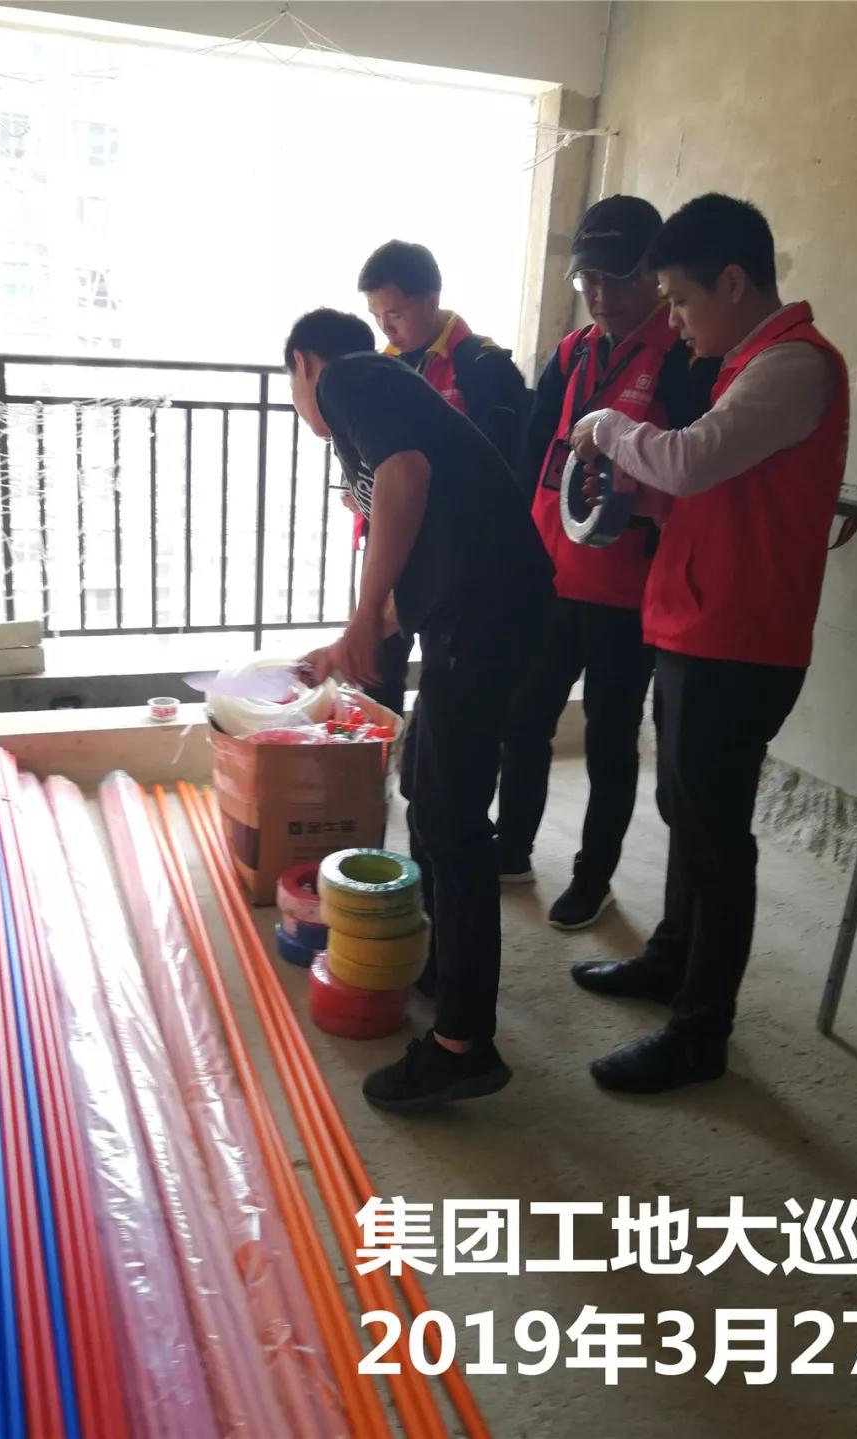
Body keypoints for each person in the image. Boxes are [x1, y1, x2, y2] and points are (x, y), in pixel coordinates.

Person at [567, 193, 849, 1093]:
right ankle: (670, 959)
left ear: (733, 282)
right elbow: (711, 488)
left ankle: (700, 1032)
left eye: (682, 300)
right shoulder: (747, 363)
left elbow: (691, 460)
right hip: (699, 623)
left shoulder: (793, 364)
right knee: (686, 813)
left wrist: (609, 426)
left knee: (716, 837)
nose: (677, 321)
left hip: (741, 639)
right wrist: (637, 495)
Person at [285, 308, 553, 1111]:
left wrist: (364, 614)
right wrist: (352, 638)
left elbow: (406, 475)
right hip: (479, 606)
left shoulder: (350, 377)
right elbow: (430, 549)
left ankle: (462, 1043)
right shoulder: (386, 389)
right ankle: (447, 970)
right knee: (428, 795)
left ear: (302, 365)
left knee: (450, 814)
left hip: (488, 612)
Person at [496, 196, 719, 930]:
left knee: (608, 741)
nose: (600, 293)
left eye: (617, 277)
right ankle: (512, 844)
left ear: (654, 275)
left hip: (629, 593)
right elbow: (532, 457)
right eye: (588, 278)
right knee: (525, 717)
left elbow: (693, 473)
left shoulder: (685, 358)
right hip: (551, 578)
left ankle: (593, 878)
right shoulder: (572, 353)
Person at [354, 239, 528, 717]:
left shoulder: (482, 367)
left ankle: (422, 761)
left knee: (444, 682)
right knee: (376, 669)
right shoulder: (384, 366)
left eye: (395, 313)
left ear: (431, 299)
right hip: (392, 544)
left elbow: (499, 473)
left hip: (454, 557)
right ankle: (375, 759)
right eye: (376, 316)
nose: (386, 328)